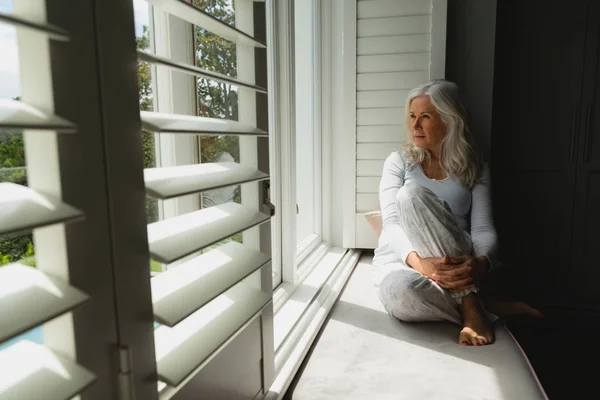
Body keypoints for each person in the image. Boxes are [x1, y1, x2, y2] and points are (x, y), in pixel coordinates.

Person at [372, 79, 541, 346]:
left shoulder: (475, 167)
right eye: (412, 116)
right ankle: (477, 302)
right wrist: (422, 266)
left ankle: (473, 310)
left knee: (410, 194)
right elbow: (392, 225)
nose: (414, 125)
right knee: (402, 296)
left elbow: (483, 228)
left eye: (425, 117)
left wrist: (481, 263)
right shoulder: (398, 162)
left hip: (459, 259)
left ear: (448, 121)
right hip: (405, 261)